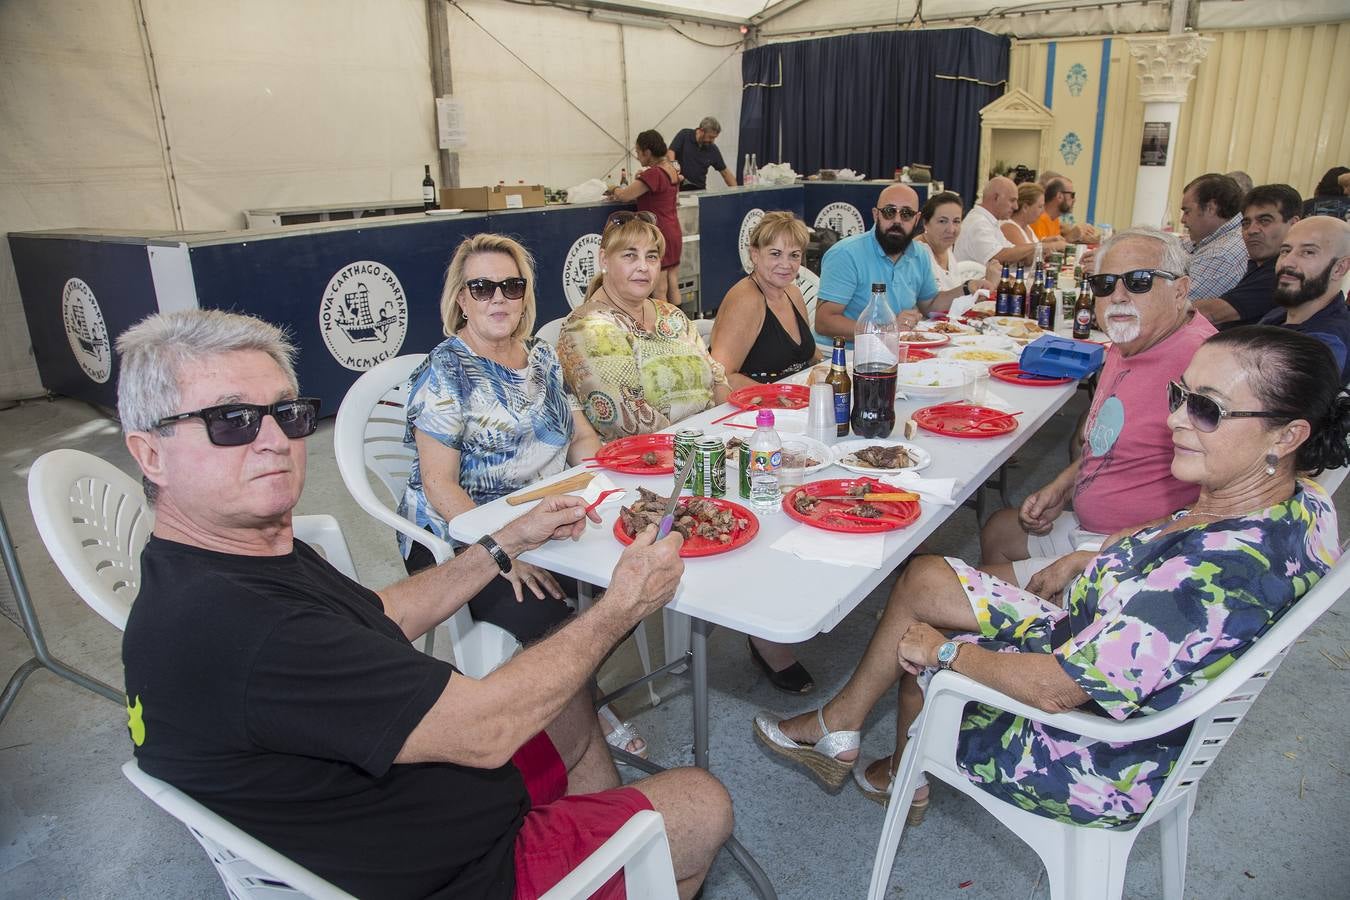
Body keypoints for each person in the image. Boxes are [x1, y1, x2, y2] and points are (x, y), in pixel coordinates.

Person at [117, 309, 732, 900]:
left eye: (288, 413)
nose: (275, 441)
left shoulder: (223, 560)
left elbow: (379, 615)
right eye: (232, 420)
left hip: (406, 803)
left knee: (568, 694)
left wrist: (503, 541)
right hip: (455, 871)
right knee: (703, 803)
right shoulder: (244, 631)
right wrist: (622, 605)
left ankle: (606, 851)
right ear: (150, 454)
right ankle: (602, 861)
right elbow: (485, 731)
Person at [756, 326, 1344, 826]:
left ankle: (902, 775)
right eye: (1179, 393)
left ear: (1288, 434)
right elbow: (1190, 526)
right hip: (1102, 637)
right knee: (925, 578)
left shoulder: (1216, 573)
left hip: (1099, 753)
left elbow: (1059, 690)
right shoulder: (1299, 500)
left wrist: (946, 656)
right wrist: (1095, 556)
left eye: (1206, 408)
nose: (1174, 418)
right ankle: (842, 728)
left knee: (918, 655)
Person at [395, 234, 647, 757]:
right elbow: (440, 485)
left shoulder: (541, 357)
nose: (498, 299)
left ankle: (583, 692)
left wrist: (609, 489)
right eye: (481, 287)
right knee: (550, 614)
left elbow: (580, 440)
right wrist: (502, 551)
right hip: (461, 529)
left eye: (510, 286)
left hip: (543, 514)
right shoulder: (445, 371)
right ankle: (584, 714)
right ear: (460, 299)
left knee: (634, 576)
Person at [980, 227, 1217, 584]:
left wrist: (1105, 553)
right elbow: (1112, 441)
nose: (1117, 296)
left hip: (1142, 557)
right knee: (999, 530)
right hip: (1095, 529)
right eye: (1105, 284)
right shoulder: (1130, 339)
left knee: (926, 584)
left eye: (1138, 281)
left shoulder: (1204, 366)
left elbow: (1226, 501)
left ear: (1180, 290)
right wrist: (1062, 485)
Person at [558, 211, 730, 440]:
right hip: (650, 461)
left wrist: (727, 434)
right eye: (630, 255)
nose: (643, 267)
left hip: (711, 444)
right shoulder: (586, 328)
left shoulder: (671, 314)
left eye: (651, 256)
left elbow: (718, 381)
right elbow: (629, 424)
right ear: (604, 260)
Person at [816, 183, 991, 340]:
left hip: (899, 350)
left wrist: (968, 287)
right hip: (846, 356)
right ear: (876, 215)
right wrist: (885, 329)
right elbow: (824, 322)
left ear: (916, 219)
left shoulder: (919, 254)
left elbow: (929, 305)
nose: (897, 220)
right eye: (889, 212)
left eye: (906, 214)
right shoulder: (847, 254)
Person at [711, 211, 821, 388]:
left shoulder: (792, 293)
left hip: (796, 402)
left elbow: (810, 355)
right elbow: (721, 377)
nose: (786, 265)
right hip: (756, 408)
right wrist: (778, 396)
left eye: (794, 255)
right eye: (775, 254)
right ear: (755, 254)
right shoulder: (746, 300)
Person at [1194, 183, 1302, 331]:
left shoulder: (1284, 272)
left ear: (1294, 224)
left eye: (1265, 221)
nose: (1251, 230)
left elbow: (1212, 313)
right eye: (1246, 223)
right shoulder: (1257, 264)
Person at [1259, 216, 1350, 382]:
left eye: (1308, 252)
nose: (1287, 262)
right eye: (1285, 251)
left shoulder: (1327, 344)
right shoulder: (1278, 315)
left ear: (1339, 268)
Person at [609, 130, 682, 303]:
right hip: (673, 229)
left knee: (659, 288)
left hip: (659, 231)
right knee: (673, 281)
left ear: (647, 152)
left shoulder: (654, 174)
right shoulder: (671, 169)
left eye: (638, 151)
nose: (637, 156)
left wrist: (613, 189)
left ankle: (662, 329)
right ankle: (682, 325)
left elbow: (625, 195)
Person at [1180, 173, 1247, 300]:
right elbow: (1181, 245)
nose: (1182, 220)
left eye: (1187, 212)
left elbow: (1175, 304)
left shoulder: (1221, 255)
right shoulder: (1213, 237)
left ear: (1211, 208)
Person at [952, 176, 1021, 268]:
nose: (1016, 207)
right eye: (1012, 200)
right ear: (996, 197)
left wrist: (1038, 249)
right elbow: (998, 258)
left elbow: (1011, 250)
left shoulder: (989, 221)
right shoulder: (978, 223)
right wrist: (1038, 247)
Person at [914, 191, 972, 291]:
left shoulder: (947, 249)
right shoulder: (915, 255)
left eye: (956, 221)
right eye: (942, 221)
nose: (951, 229)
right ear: (925, 223)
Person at [1000, 182, 1068, 264]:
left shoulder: (1027, 227)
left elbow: (1033, 248)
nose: (1043, 211)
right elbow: (1026, 258)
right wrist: (1052, 246)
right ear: (1025, 207)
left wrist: (1045, 242)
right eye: (1040, 206)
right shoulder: (1009, 227)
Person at [667, 116, 737, 191]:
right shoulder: (684, 135)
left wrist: (737, 193)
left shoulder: (713, 149)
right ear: (701, 131)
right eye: (710, 137)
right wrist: (674, 168)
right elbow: (671, 151)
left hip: (699, 191)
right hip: (678, 190)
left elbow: (725, 173)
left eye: (714, 138)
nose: (713, 141)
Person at [1030, 176, 1101, 244]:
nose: (1074, 200)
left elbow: (1054, 246)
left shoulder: (1054, 219)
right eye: (1072, 195)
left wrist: (1080, 236)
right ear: (1059, 196)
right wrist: (1070, 238)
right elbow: (1039, 253)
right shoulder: (1038, 219)